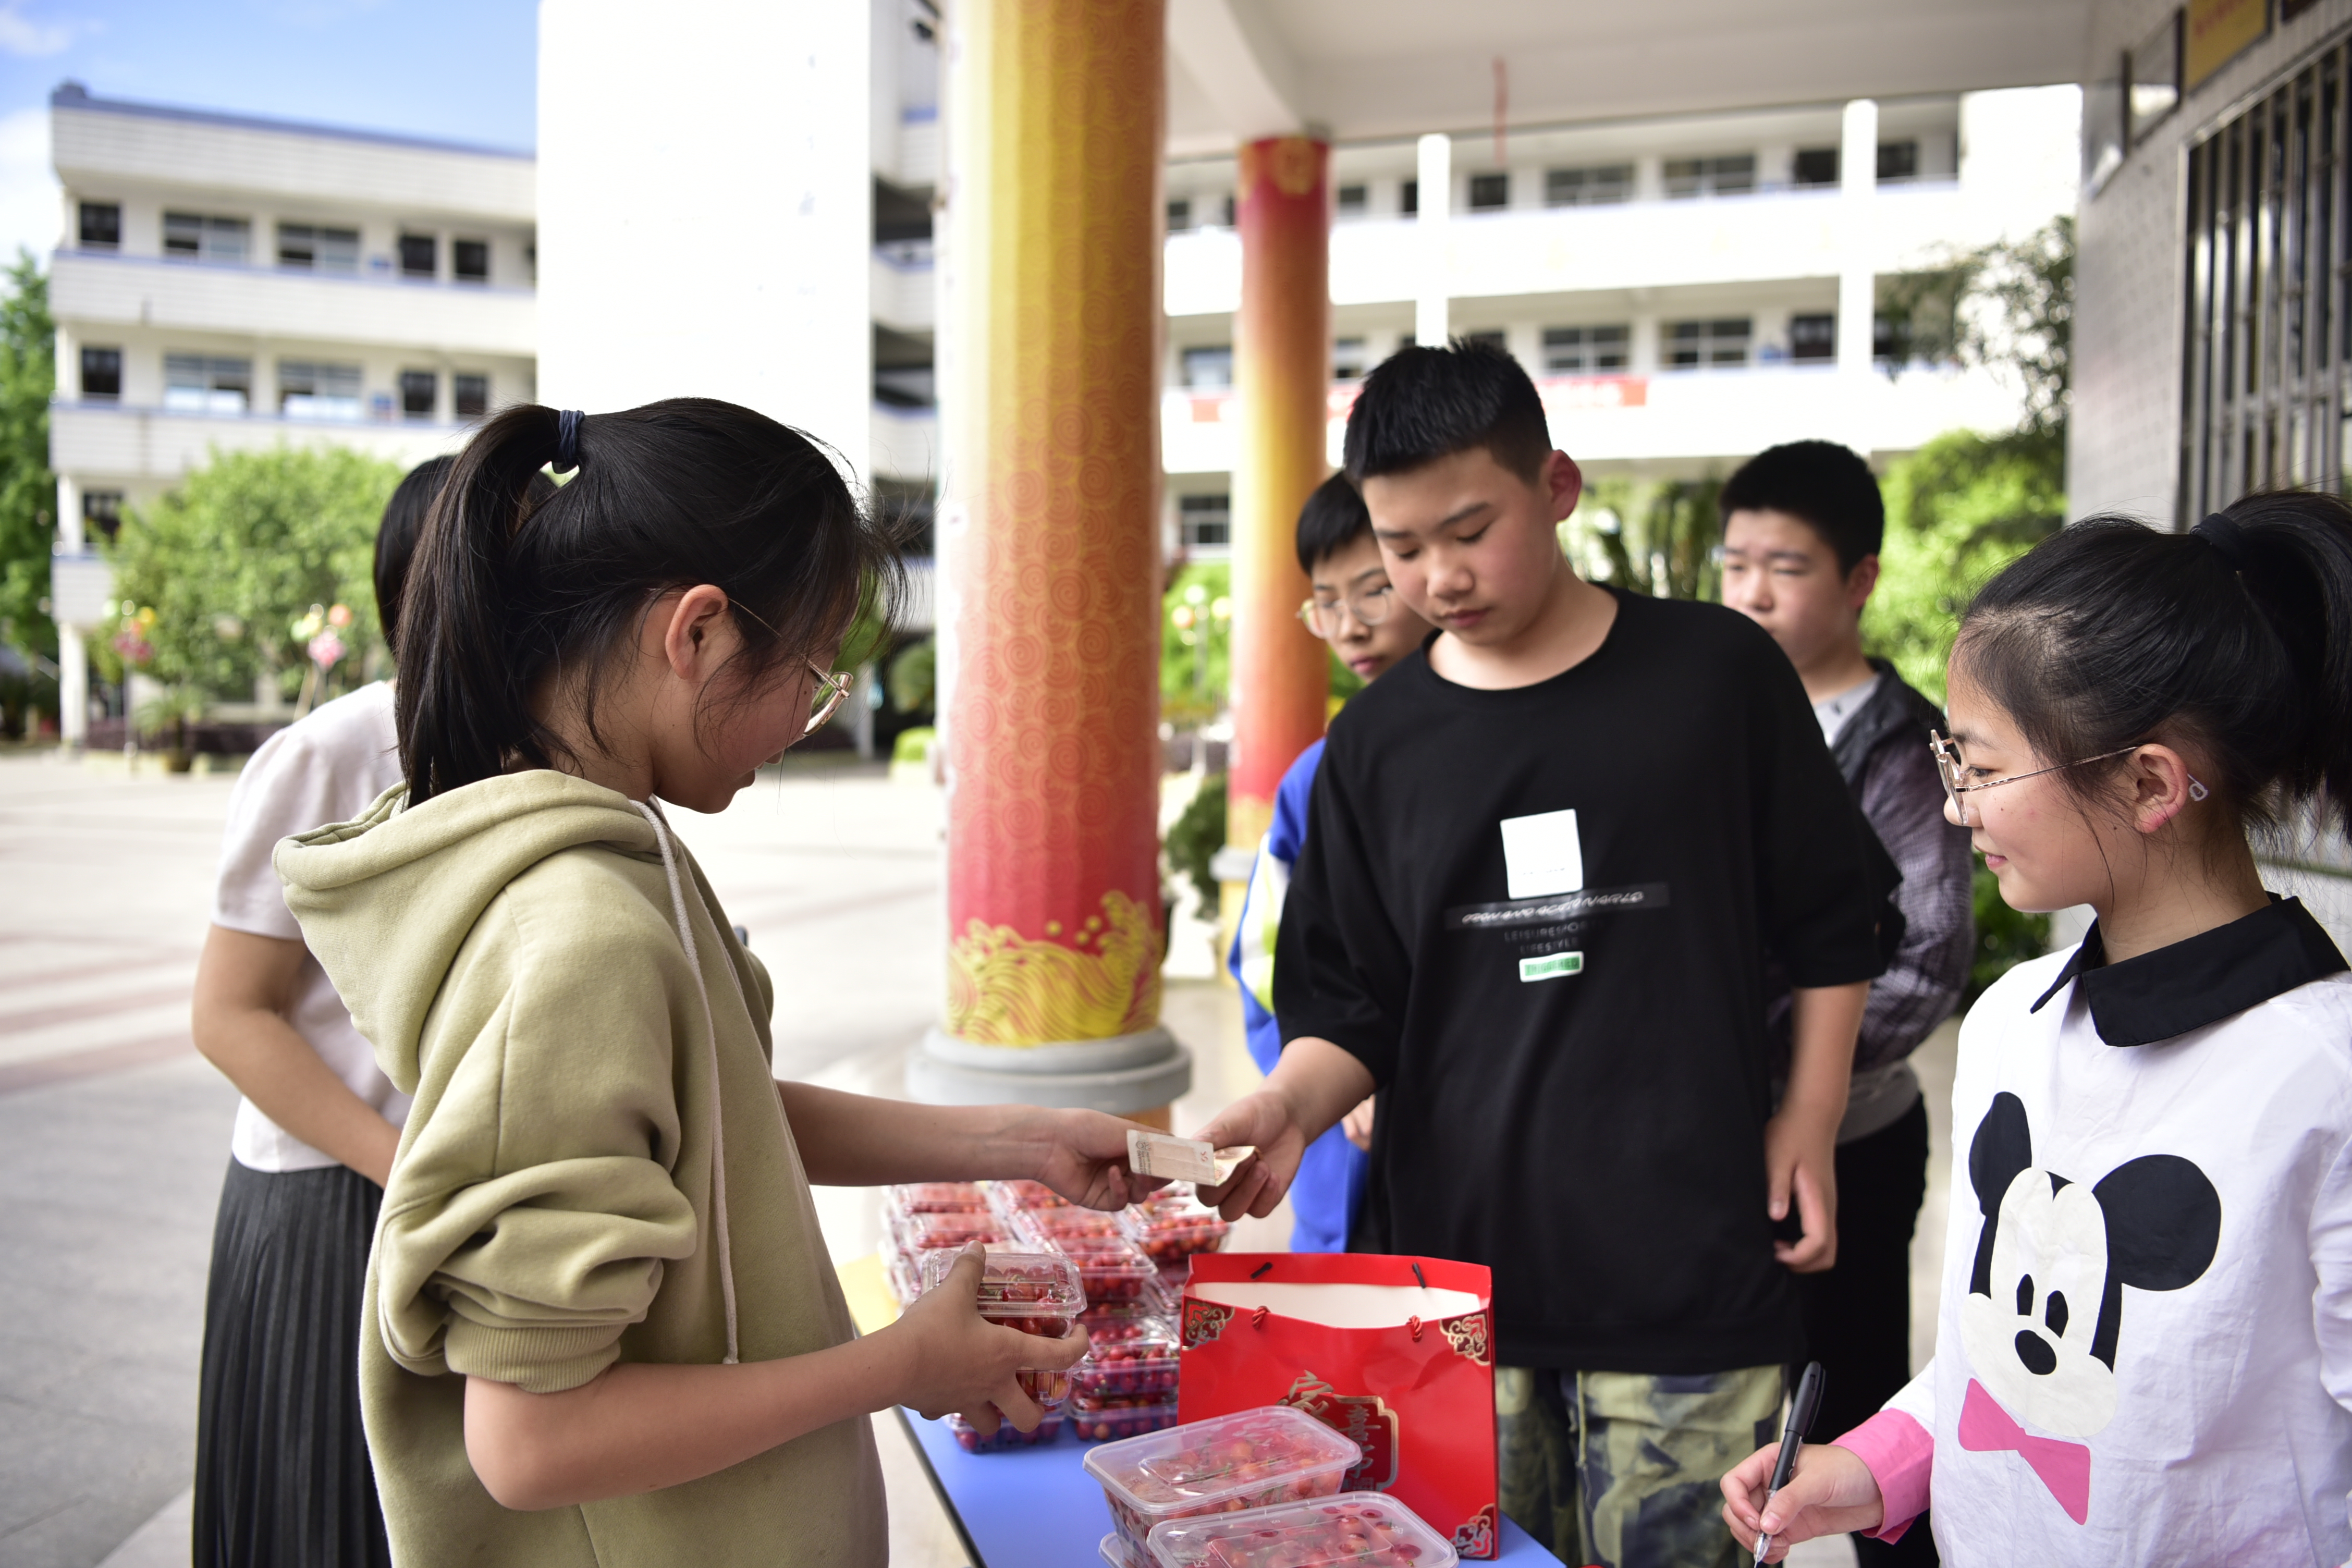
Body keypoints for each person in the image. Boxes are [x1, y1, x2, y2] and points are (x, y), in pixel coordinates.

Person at [272, 400, 1158, 1567]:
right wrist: (900, 1364)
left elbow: (715, 1115)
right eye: (810, 668)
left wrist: (1023, 1140)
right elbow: (532, 1439)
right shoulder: (578, 932)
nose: (808, 713)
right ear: (695, 633)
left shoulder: (609, 852)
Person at [1197, 343, 1895, 1568]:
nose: (1437, 577)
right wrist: (1287, 1106)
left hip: (1691, 1270)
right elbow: (1351, 1005)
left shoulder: (1717, 678)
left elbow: (1833, 918)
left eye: (1470, 529)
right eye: (1401, 547)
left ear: (1557, 485)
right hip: (1457, 1297)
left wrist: (1814, 1109)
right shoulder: (1376, 750)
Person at [1720, 497, 2352, 1564]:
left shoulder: (2323, 1076)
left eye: (1986, 766)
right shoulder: (2014, 1020)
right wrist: (1880, 1463)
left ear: (2148, 782)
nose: (1958, 807)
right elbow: (2003, 1355)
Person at [190, 452, 514, 1566]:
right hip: (333, 1202)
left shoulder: (550, 762)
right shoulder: (332, 752)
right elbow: (231, 1013)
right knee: (333, 1517)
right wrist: (408, 1172)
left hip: (470, 1199)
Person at [1720, 440, 1974, 1567]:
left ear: (1860, 580)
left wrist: (1785, 1072)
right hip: (1712, 1138)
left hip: (1856, 1136)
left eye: (1786, 566)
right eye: (1734, 566)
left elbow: (1925, 962)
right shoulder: (1707, 712)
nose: (1753, 594)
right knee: (1727, 1427)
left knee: (1861, 1413)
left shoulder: (1908, 746)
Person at [1226, 472, 1433, 1253]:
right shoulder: (1317, 778)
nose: (1350, 627)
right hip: (1346, 1157)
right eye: (1328, 602)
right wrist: (1325, 1081)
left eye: (1374, 591)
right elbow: (1265, 961)